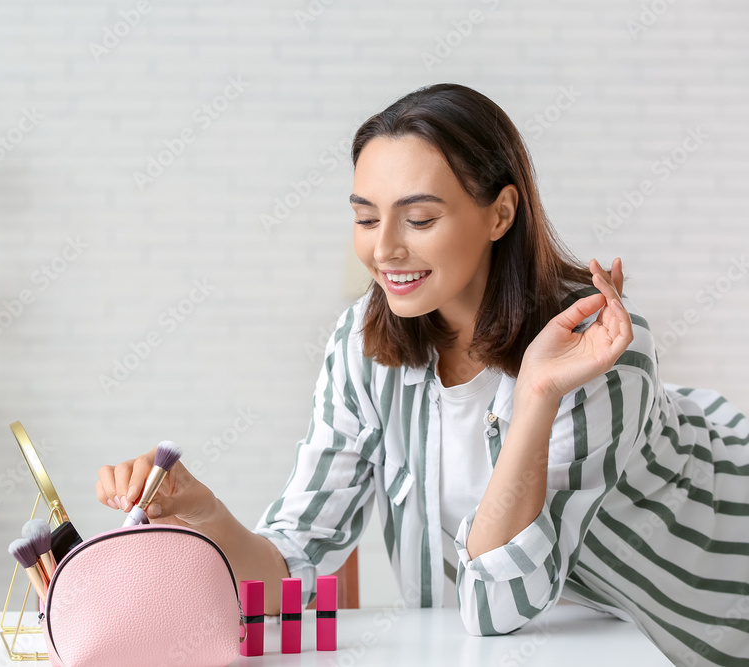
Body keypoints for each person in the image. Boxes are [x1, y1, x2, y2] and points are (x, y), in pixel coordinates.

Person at [95, 83, 749, 666]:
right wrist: (201, 509)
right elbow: (289, 566)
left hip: (711, 594)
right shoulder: (362, 347)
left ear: (500, 212)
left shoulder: (600, 353)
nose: (384, 249)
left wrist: (538, 392)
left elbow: (497, 603)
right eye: (365, 217)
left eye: (419, 218)